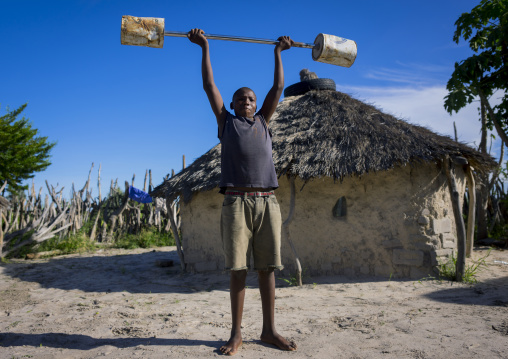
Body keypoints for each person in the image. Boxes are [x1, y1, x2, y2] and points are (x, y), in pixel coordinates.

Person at [187, 28, 297, 355]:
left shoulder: (264, 121)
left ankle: (268, 331)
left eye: (251, 98)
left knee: (267, 270)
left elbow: (278, 86)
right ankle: (236, 334)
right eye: (242, 99)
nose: (248, 102)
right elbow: (209, 86)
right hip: (236, 204)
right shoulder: (226, 124)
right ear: (233, 106)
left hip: (268, 203)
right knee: (238, 270)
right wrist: (204, 47)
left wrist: (279, 52)